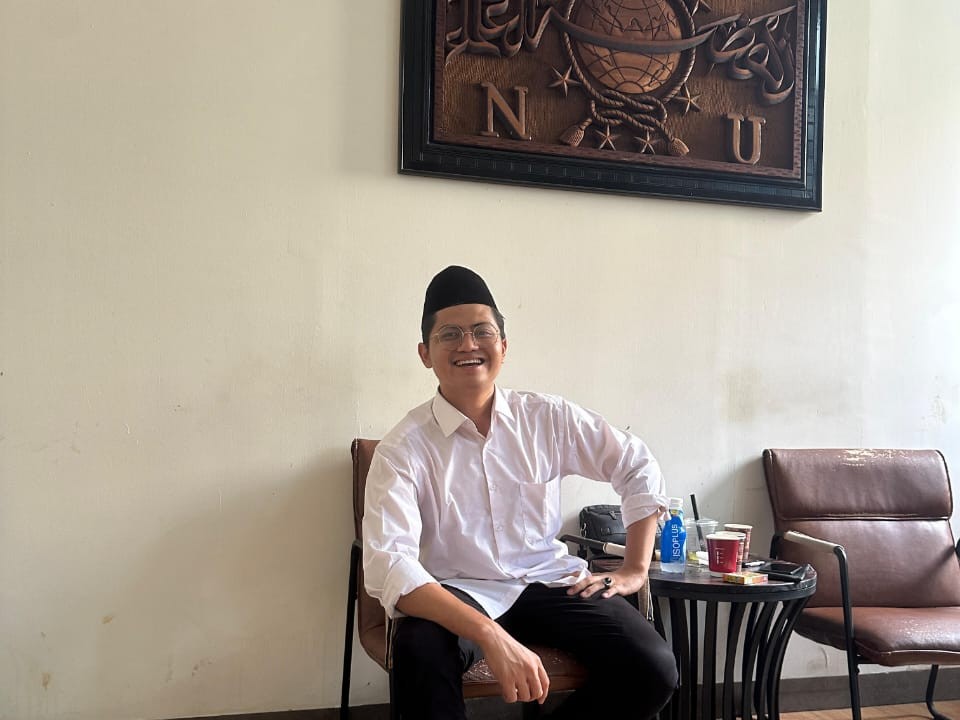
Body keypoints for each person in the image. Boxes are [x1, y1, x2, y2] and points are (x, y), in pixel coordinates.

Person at [362, 265, 678, 719]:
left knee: (652, 668)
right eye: (449, 334)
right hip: (459, 591)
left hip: (548, 581)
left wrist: (635, 568)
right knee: (419, 650)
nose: (468, 345)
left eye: (481, 331)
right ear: (425, 354)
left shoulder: (547, 419)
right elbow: (390, 565)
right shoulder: (402, 449)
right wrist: (489, 634)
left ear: (504, 346)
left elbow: (636, 463)